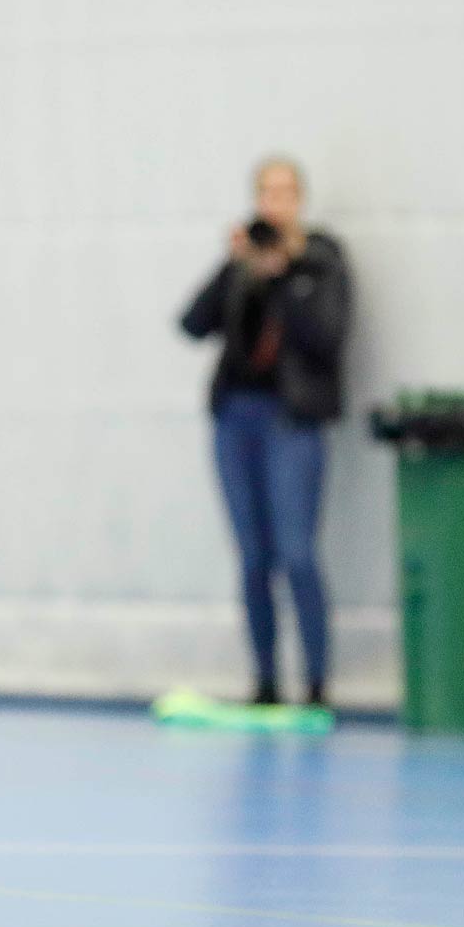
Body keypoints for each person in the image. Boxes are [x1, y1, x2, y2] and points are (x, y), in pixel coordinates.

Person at [179, 157, 351, 707]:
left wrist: (290, 278)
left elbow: (327, 340)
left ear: (300, 198)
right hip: (236, 417)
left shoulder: (322, 261)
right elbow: (192, 323)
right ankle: (266, 682)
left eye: (285, 192)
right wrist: (235, 267)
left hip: (291, 420)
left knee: (297, 554)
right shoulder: (244, 263)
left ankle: (318, 683)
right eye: (265, 193)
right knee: (253, 558)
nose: (274, 203)